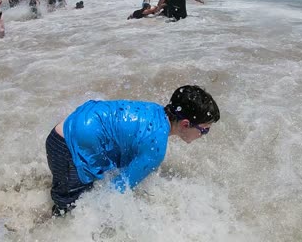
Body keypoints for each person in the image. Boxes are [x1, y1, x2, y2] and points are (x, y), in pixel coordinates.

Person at [45, 85, 220, 216]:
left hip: (64, 135)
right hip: (67, 149)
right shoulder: (155, 149)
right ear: (185, 124)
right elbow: (115, 190)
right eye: (204, 130)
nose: (203, 135)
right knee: (67, 214)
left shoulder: (153, 110)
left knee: (74, 199)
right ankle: (34, 229)